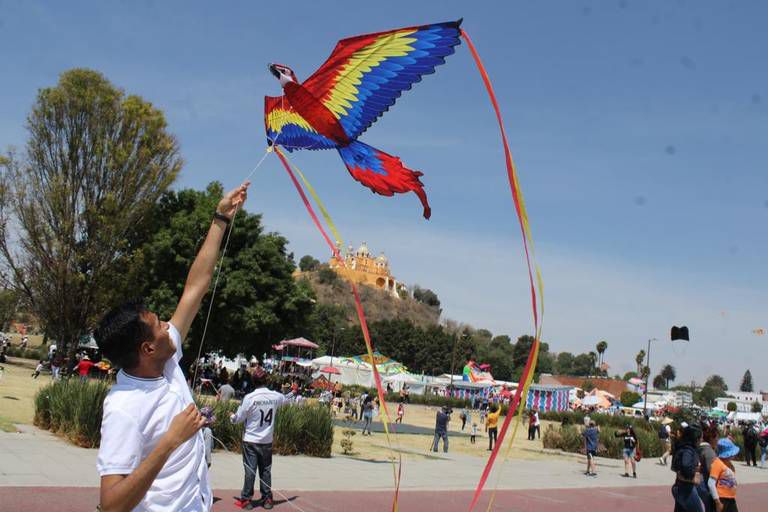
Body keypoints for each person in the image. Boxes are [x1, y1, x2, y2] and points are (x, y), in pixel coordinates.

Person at [93, 181, 248, 512]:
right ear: (147, 349)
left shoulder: (164, 360)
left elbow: (195, 287)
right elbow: (110, 504)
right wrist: (170, 441)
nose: (168, 326)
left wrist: (220, 219)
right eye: (160, 326)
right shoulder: (124, 408)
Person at [230, 365, 285, 510]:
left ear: (253, 381)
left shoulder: (250, 398)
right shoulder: (275, 396)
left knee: (250, 470)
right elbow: (285, 400)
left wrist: (232, 417)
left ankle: (246, 499)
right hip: (266, 441)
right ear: (266, 380)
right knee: (266, 470)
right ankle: (267, 499)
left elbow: (238, 419)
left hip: (251, 441)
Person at [671, 423, 704, 512]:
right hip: (686, 489)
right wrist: (693, 475)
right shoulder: (689, 450)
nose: (702, 439)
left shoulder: (682, 447)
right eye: (700, 437)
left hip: (679, 487)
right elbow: (685, 465)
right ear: (695, 438)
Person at [709, 438, 740, 512]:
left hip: (730, 498)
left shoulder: (729, 463)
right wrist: (717, 502)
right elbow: (711, 483)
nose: (734, 455)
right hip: (721, 498)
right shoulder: (717, 463)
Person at [697, 423, 719, 512]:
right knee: (710, 508)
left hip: (700, 483)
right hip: (705, 485)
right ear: (711, 438)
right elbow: (712, 471)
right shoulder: (709, 452)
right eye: (717, 438)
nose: (718, 440)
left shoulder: (701, 448)